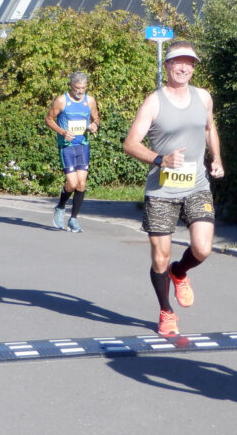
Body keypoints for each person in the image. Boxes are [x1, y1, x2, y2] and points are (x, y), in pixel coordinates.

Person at [123, 41, 225, 337]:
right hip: (161, 191)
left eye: (189, 63)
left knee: (203, 248)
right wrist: (160, 159)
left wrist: (216, 158)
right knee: (159, 258)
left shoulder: (203, 97)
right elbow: (130, 143)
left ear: (193, 67)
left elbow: (209, 128)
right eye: (177, 62)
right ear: (167, 66)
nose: (183, 67)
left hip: (196, 184)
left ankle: (180, 272)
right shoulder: (154, 101)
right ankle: (166, 311)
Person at [45, 71, 101, 232]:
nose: (80, 91)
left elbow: (96, 118)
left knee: (82, 183)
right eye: (77, 88)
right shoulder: (62, 100)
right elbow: (48, 119)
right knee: (72, 183)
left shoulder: (89, 100)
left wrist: (94, 125)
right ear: (71, 85)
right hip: (67, 146)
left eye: (83, 88)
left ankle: (74, 219)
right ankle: (60, 206)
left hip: (82, 145)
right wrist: (62, 132)